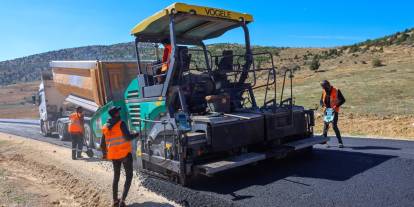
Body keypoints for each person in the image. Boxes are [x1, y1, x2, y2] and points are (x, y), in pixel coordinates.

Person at [100, 106, 139, 207]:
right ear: (116, 114)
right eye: (118, 111)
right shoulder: (121, 124)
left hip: (113, 155)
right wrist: (136, 134)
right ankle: (122, 201)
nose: (119, 113)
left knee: (116, 177)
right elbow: (127, 137)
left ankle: (115, 201)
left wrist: (104, 154)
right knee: (129, 176)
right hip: (125, 154)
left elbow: (102, 144)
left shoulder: (105, 126)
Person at [320, 80, 346, 148]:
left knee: (334, 126)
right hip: (328, 111)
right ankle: (324, 141)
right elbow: (321, 101)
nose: (324, 89)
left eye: (325, 87)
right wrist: (323, 106)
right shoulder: (324, 91)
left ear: (328, 85)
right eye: (323, 87)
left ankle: (340, 142)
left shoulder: (336, 90)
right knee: (326, 126)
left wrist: (336, 106)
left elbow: (343, 100)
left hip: (334, 110)